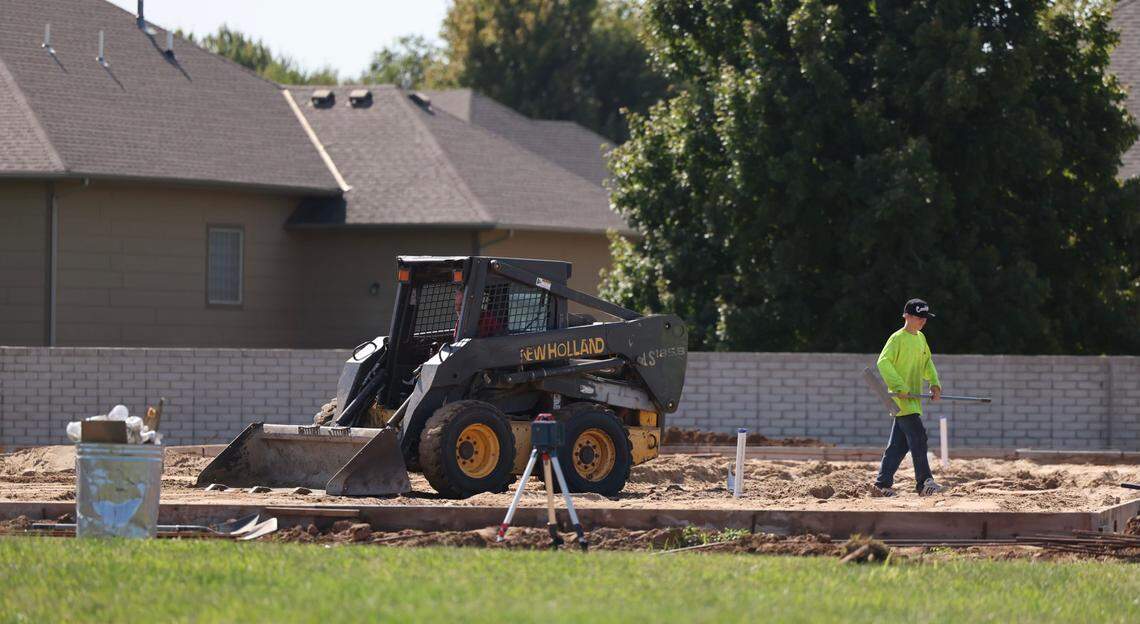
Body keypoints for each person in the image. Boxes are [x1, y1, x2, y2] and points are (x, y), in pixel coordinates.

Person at [873, 298, 944, 497]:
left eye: (925, 318)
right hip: (901, 399)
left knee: (899, 445)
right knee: (918, 437)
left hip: (912, 399)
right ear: (907, 316)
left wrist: (934, 383)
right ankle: (924, 483)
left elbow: (927, 363)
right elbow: (883, 362)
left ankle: (881, 485)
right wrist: (899, 386)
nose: (923, 321)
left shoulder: (921, 339)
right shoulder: (897, 338)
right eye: (919, 317)